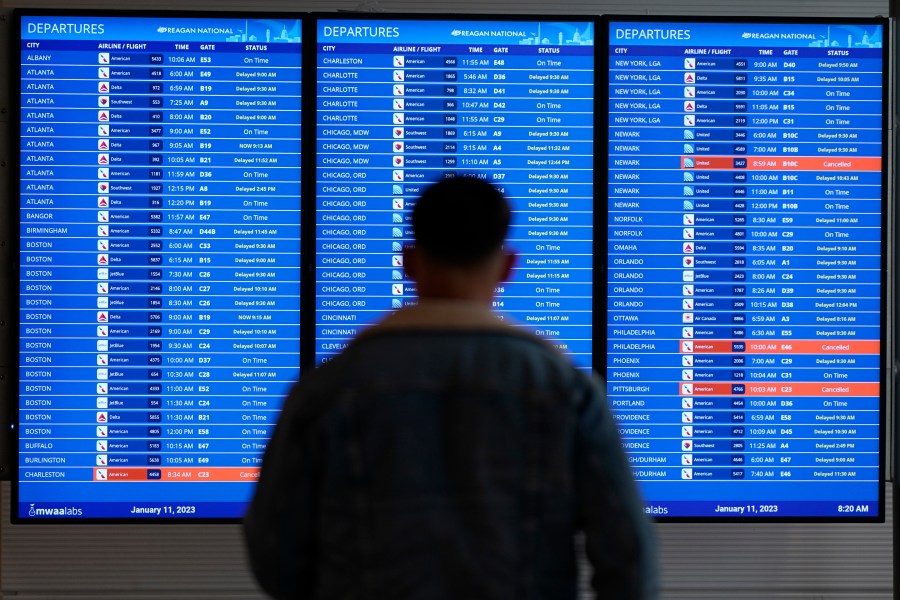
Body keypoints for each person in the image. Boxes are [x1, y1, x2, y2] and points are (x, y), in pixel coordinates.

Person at [243, 176, 659, 599]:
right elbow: (629, 559)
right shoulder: (564, 389)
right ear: (508, 266)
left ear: (407, 260)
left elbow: (275, 554)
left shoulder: (326, 391)